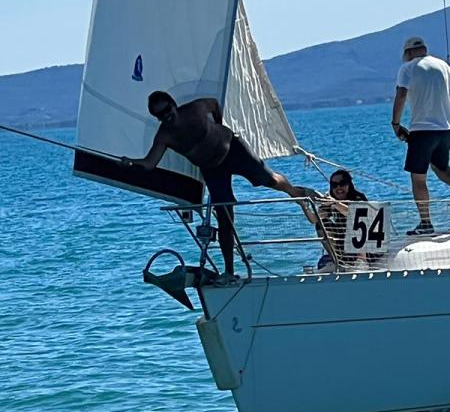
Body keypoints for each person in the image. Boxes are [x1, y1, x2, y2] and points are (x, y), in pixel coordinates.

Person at [122, 91, 319, 281]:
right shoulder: (164, 135)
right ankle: (229, 271)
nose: (166, 116)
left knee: (270, 180)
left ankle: (295, 192)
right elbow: (150, 163)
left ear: (173, 104)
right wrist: (131, 162)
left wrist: (219, 124)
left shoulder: (195, 109)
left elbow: (214, 104)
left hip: (233, 150)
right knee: (224, 215)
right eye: (160, 115)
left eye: (167, 109)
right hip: (212, 169)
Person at [392, 36, 450, 235]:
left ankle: (426, 223)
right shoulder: (443, 66)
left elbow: (401, 95)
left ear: (408, 52)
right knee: (441, 169)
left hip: (422, 131)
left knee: (418, 178)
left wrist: (396, 124)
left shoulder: (407, 68)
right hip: (445, 129)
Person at [304, 170, 368, 270]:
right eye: (334, 185)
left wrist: (335, 203)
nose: (338, 187)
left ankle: (361, 261)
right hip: (342, 243)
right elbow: (314, 219)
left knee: (357, 221)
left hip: (363, 244)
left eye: (342, 183)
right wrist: (304, 205)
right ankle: (336, 261)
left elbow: (355, 214)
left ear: (349, 184)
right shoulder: (330, 200)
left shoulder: (358, 198)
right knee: (321, 224)